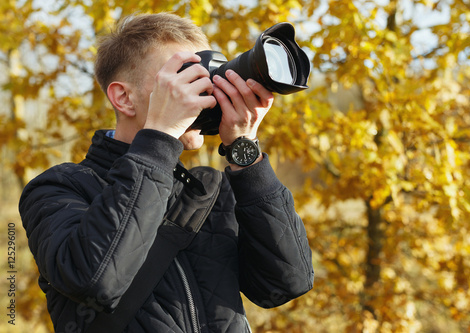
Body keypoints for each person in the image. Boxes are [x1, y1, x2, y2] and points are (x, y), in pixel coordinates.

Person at [19, 12, 314, 333]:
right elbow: (95, 279)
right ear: (123, 98)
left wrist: (245, 151)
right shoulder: (57, 189)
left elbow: (286, 282)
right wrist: (161, 135)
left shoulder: (210, 191)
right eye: (182, 78)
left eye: (208, 76)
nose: (204, 92)